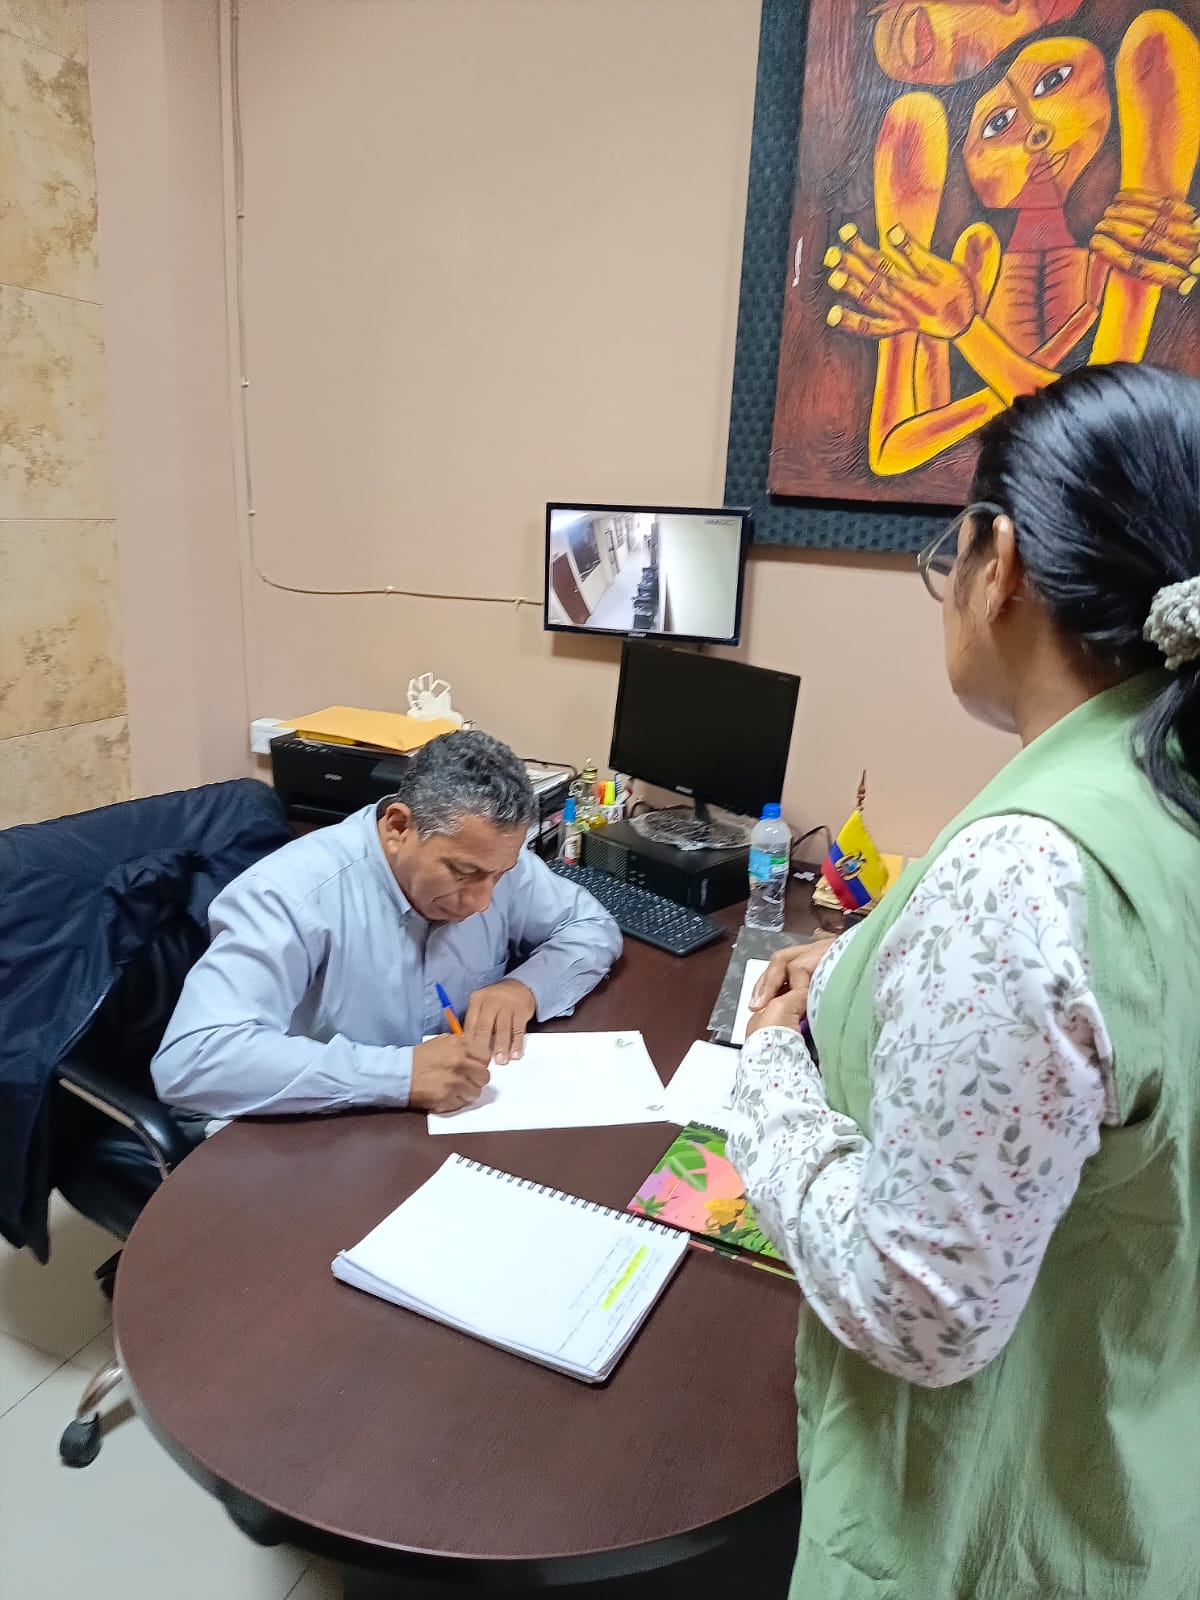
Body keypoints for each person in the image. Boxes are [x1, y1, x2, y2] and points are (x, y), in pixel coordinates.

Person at [728, 362, 1200, 1600]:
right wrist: (869, 960)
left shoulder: (1025, 871)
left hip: (990, 1519)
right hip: (1145, 1460)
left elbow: (915, 1307)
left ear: (1002, 564)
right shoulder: (1158, 792)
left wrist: (767, 1071)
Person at [152, 731, 621, 1118]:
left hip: (451, 1121)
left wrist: (526, 987)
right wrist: (399, 1075)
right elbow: (193, 1060)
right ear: (398, 827)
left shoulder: (491, 858)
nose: (483, 901)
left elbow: (591, 926)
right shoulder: (288, 896)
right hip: (318, 1137)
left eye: (499, 875)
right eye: (463, 874)